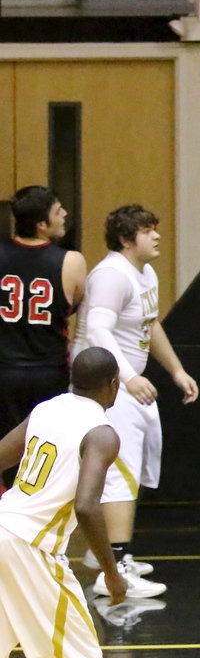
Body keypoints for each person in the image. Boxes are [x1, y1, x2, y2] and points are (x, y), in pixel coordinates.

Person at [0, 346, 126, 658]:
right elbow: (88, 505)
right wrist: (112, 572)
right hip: (31, 547)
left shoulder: (46, 409)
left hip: (3, 524)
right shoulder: (103, 432)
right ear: (112, 385)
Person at [72, 205, 199, 597]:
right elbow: (96, 329)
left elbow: (151, 323)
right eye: (148, 230)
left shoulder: (144, 273)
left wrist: (176, 370)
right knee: (119, 474)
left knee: (134, 468)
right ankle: (116, 565)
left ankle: (102, 555)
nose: (157, 236)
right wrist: (127, 377)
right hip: (105, 388)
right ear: (127, 239)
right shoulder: (111, 275)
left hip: (123, 384)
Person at [0, 186, 87, 487]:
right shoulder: (72, 261)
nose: (64, 215)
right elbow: (74, 304)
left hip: (5, 370)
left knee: (5, 455)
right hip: (49, 370)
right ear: (42, 224)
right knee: (45, 454)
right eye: (58, 211)